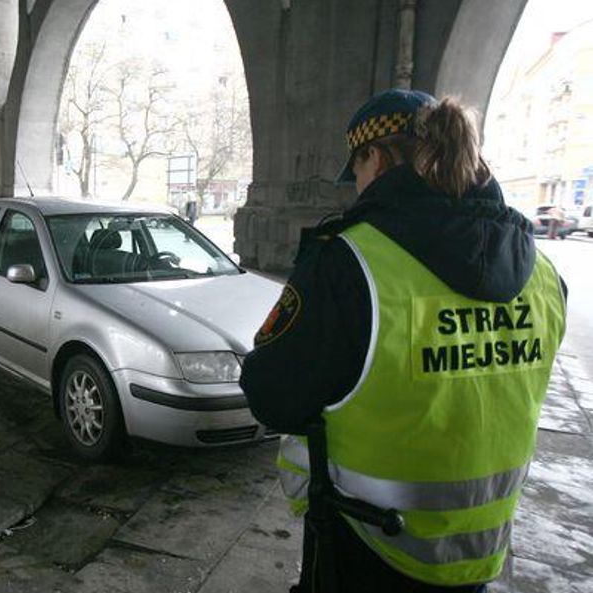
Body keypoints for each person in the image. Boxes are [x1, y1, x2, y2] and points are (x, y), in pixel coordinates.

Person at [240, 89, 567, 592]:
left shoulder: (349, 261)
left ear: (376, 156)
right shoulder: (544, 274)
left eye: (358, 170)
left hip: (369, 544)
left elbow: (272, 394)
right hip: (479, 554)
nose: (357, 187)